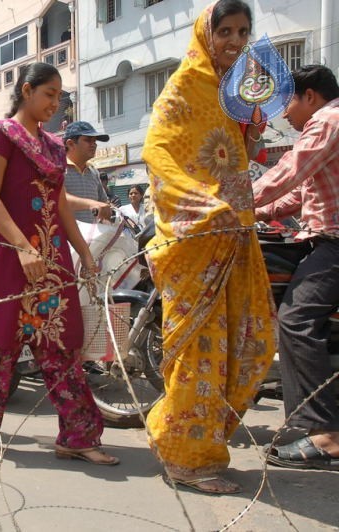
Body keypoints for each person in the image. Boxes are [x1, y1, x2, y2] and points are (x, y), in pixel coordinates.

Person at [141, 0, 276, 494]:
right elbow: (156, 149)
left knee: (251, 343)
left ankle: (190, 436)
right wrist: (198, 203)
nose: (236, 41)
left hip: (238, 234)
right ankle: (187, 458)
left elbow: (237, 157)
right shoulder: (183, 87)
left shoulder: (238, 92)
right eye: (226, 31)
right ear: (206, 32)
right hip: (196, 241)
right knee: (201, 353)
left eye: (243, 31)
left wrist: (254, 130)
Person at [0, 63, 118, 464]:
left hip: (53, 258)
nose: (55, 103)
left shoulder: (51, 145)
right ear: (27, 91)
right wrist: (22, 248)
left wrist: (81, 249)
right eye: (49, 94)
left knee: (61, 345)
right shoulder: (0, 135)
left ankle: (78, 437)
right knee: (0, 346)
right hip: (13, 257)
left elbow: (59, 202)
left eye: (59, 96)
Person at [252, 65, 339, 470]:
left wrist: (234, 199)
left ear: (309, 96)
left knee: (295, 320)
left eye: (287, 101)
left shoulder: (327, 119)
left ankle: (322, 434)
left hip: (334, 244)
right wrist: (253, 208)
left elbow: (290, 171)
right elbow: (298, 195)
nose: (284, 113)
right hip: (322, 238)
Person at [62, 121, 112, 224]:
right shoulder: (58, 169)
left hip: (92, 238)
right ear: (70, 144)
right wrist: (91, 204)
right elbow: (59, 199)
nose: (94, 145)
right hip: (63, 238)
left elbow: (103, 202)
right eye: (88, 140)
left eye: (94, 141)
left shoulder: (94, 172)